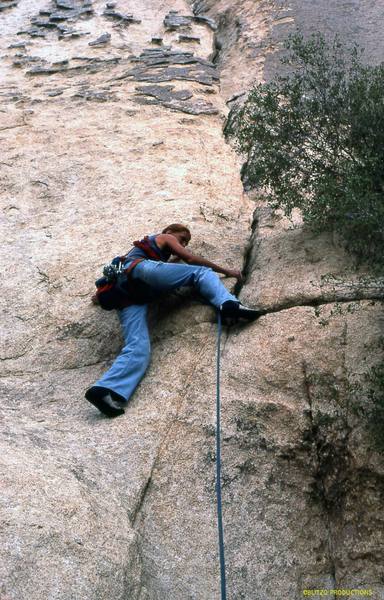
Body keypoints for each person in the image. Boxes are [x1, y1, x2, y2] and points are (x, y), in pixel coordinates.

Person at [85, 223, 264, 418]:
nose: (184, 244)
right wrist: (227, 271)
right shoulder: (163, 237)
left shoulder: (131, 255)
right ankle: (229, 304)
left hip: (127, 296)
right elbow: (190, 259)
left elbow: (97, 297)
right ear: (169, 232)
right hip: (143, 272)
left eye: (186, 242)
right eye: (183, 239)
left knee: (138, 347)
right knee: (200, 272)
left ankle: (104, 389)